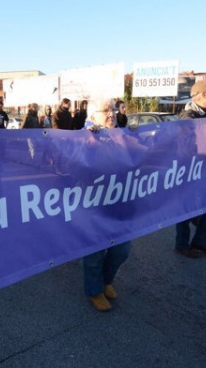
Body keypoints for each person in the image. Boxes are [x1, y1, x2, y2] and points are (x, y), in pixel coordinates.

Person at [80, 97, 131, 312]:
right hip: (93, 204)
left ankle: (105, 280)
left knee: (122, 250)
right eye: (105, 110)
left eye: (111, 109)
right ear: (93, 117)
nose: (111, 114)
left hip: (119, 201)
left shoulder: (120, 134)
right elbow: (73, 167)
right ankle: (95, 290)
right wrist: (87, 146)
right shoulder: (84, 138)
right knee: (94, 252)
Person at [175, 80, 206, 259]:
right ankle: (182, 245)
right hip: (189, 171)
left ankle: (201, 242)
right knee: (186, 208)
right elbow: (187, 145)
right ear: (204, 94)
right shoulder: (187, 117)